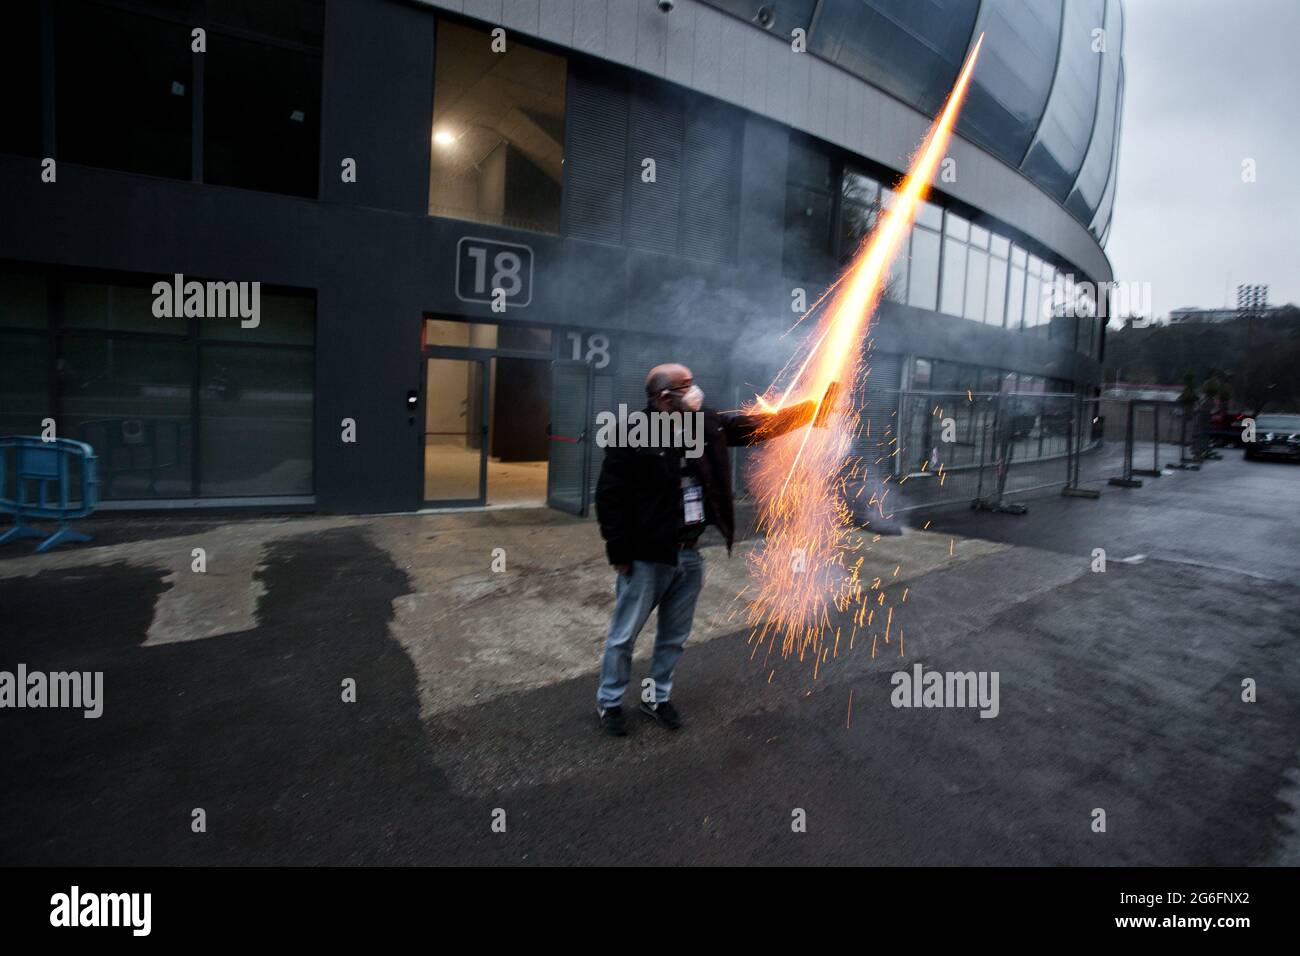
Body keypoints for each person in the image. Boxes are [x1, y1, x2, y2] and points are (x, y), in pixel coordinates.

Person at [593, 363, 821, 736]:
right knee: (623, 637)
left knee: (673, 636)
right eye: (687, 385)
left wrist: (811, 410)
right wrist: (619, 553)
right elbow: (609, 498)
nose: (696, 390)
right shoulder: (631, 433)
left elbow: (754, 426)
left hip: (689, 553)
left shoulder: (705, 422)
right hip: (646, 556)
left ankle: (655, 698)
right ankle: (610, 703)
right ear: (665, 397)